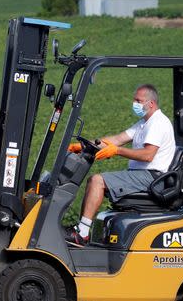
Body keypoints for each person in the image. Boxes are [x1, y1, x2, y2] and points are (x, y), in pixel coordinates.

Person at [67, 84, 175, 246]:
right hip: (142, 175)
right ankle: (81, 229)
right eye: (134, 100)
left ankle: (82, 234)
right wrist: (83, 145)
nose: (135, 104)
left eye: (139, 101)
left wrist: (116, 151)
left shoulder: (158, 124)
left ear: (151, 103)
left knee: (97, 180)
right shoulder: (143, 123)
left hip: (152, 178)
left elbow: (147, 155)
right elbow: (116, 139)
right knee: (95, 180)